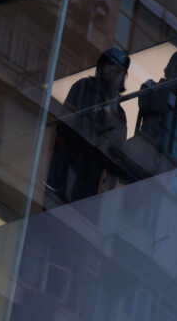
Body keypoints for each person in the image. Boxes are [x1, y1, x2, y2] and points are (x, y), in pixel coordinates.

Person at [46, 48, 130, 204]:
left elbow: (118, 151)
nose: (115, 73)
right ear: (101, 68)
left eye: (120, 69)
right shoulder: (83, 87)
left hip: (94, 174)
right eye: (112, 66)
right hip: (71, 162)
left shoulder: (119, 112)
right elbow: (66, 124)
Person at [129, 49, 177, 173]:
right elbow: (148, 105)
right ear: (173, 65)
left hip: (174, 160)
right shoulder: (151, 85)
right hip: (149, 153)